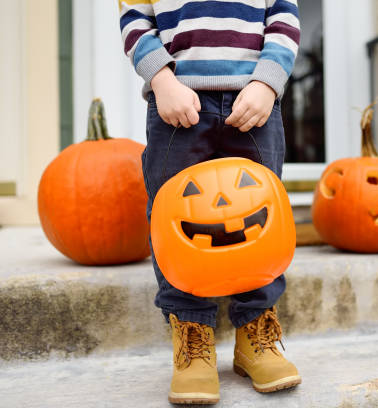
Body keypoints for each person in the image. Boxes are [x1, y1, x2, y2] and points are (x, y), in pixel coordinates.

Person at [118, 1, 301, 404]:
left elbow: (284, 18)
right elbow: (134, 18)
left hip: (254, 100)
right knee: (174, 216)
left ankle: (255, 331)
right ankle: (191, 334)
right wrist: (162, 82)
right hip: (176, 103)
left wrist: (267, 83)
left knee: (261, 215)